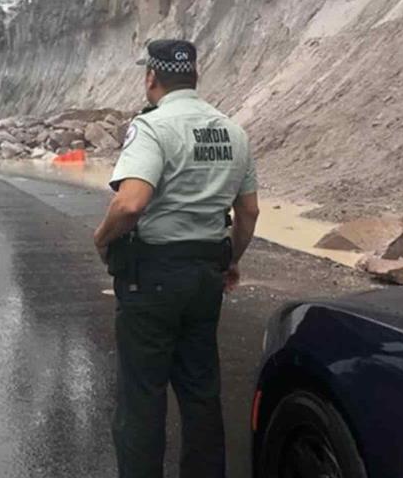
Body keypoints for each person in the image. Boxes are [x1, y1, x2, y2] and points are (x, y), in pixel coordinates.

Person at [93, 39, 261, 478]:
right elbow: (248, 212)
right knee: (201, 393)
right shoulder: (233, 131)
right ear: (195, 76)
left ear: (151, 77)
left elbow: (130, 203)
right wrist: (231, 261)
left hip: (152, 278)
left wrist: (102, 238)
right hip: (206, 275)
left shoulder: (152, 127)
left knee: (142, 397)